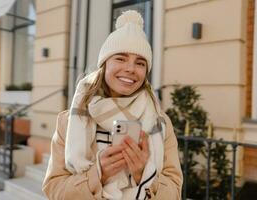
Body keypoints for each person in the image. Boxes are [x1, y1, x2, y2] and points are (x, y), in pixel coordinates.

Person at [42, 10, 183, 200]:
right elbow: (53, 188)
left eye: (140, 63)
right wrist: (98, 173)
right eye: (120, 58)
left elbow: (174, 191)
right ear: (105, 64)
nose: (130, 69)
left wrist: (144, 174)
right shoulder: (70, 120)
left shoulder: (161, 122)